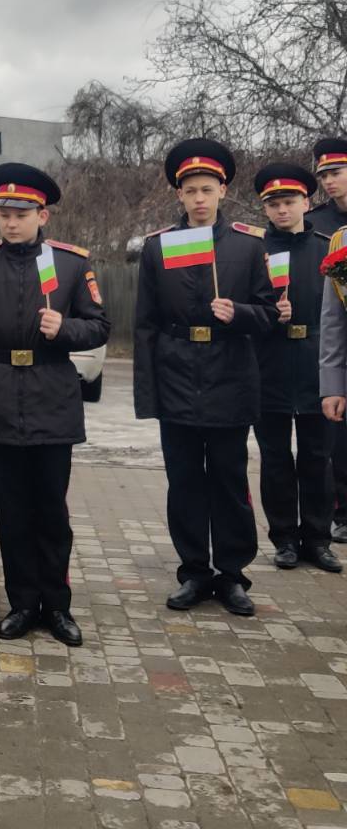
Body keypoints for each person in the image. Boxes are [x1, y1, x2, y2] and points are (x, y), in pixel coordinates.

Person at [0, 163, 110, 645]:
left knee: (51, 512)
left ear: (43, 215)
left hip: (51, 400)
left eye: (21, 213)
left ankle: (56, 606)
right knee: (13, 511)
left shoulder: (71, 263)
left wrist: (64, 329)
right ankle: (22, 603)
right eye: (4, 213)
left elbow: (100, 325)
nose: (11, 222)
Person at [133, 139, 277, 617]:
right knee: (185, 483)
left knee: (230, 481)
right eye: (190, 190)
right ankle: (194, 571)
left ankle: (232, 575)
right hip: (176, 377)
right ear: (179, 195)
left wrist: (238, 312)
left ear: (222, 191)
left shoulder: (248, 245)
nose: (199, 198)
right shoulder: (159, 248)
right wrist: (149, 394)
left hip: (230, 377)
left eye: (207, 189)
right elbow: (146, 325)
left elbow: (270, 315)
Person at [251, 164, 339, 572]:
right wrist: (271, 314)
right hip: (268, 366)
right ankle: (284, 537)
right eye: (274, 204)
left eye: (289, 202)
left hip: (317, 365)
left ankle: (318, 539)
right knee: (275, 458)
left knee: (317, 457)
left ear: (306, 202)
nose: (282, 210)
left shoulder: (329, 246)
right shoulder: (255, 250)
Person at [308, 137, 347, 544]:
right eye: (324, 176)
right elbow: (332, 313)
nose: (329, 182)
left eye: (335, 173)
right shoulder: (323, 227)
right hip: (333, 351)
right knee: (338, 446)